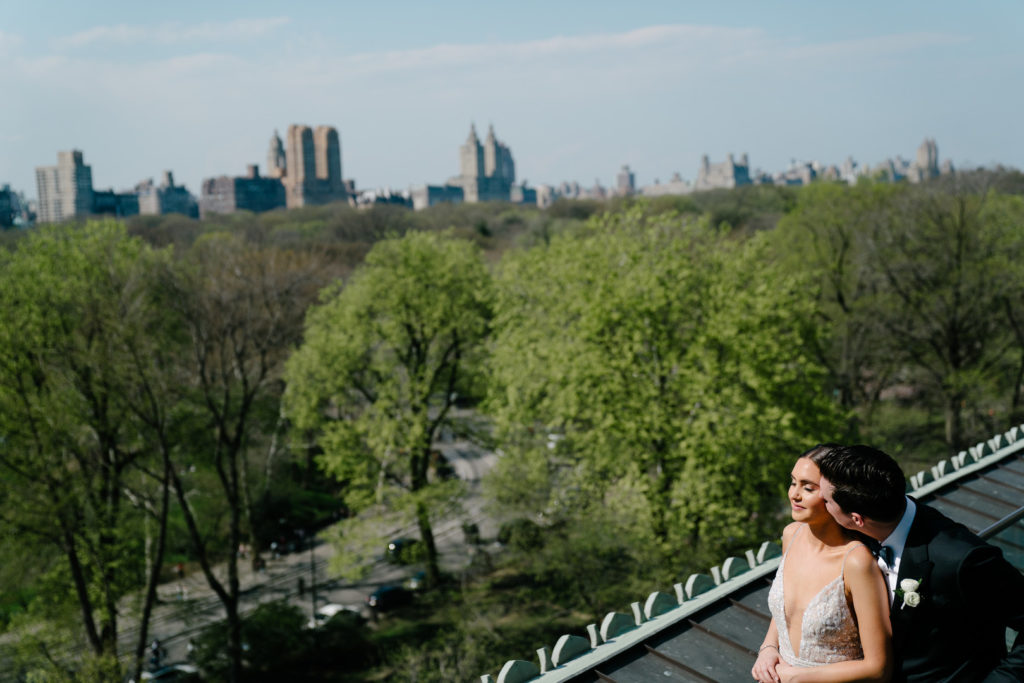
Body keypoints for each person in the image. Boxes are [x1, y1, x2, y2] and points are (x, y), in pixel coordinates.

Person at [816, 444, 1024, 682]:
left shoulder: (963, 559)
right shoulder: (855, 533)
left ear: (856, 519)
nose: (820, 504)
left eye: (826, 500)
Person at [753, 445, 892, 683]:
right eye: (793, 482)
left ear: (834, 495)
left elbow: (878, 668)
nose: (794, 494)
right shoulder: (791, 535)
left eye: (808, 488)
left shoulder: (856, 562)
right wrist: (768, 648)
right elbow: (787, 611)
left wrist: (797, 677)